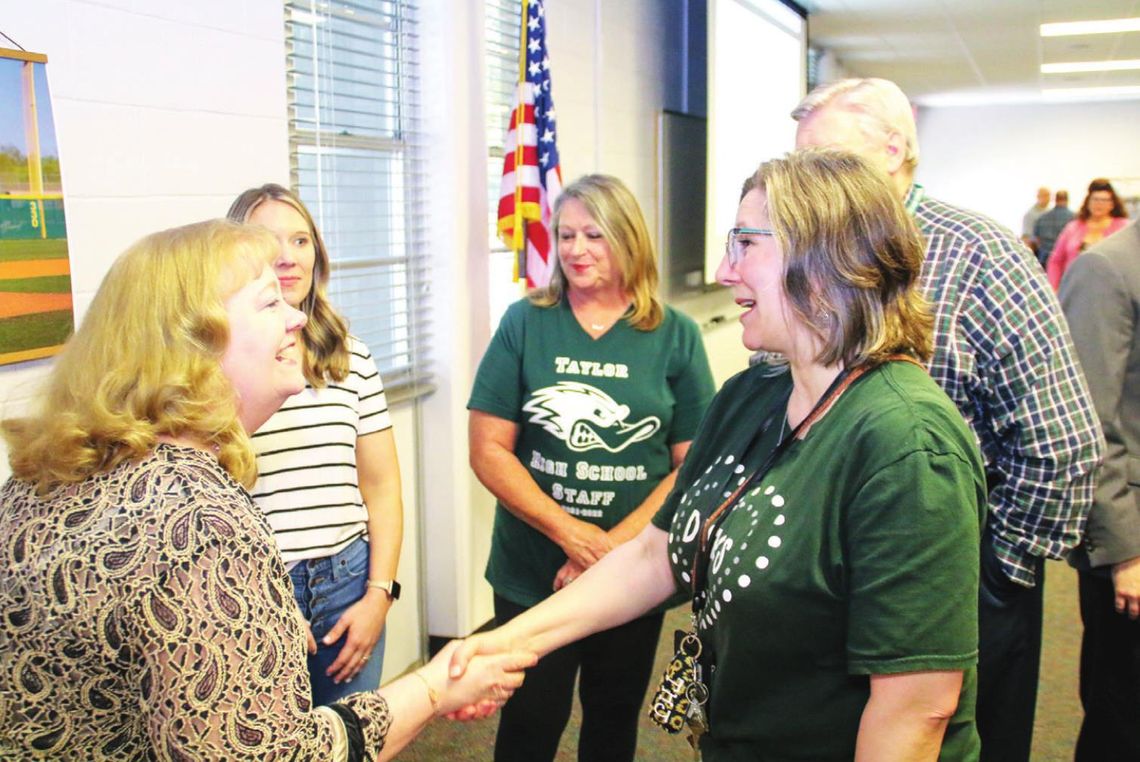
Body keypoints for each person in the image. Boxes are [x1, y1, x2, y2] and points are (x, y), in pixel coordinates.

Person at [454, 149, 987, 761]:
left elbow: (917, 712)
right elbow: (655, 554)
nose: (723, 271)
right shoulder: (752, 395)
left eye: (745, 245)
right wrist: (506, 644)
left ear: (823, 256)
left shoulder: (907, 446)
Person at [0, 219, 534, 760]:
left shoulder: (37, 479)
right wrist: (433, 687)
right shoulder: (196, 524)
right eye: (268, 303)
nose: (298, 316)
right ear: (195, 346)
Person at [790, 78, 1102, 762]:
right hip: (836, 574)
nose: (809, 182)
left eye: (828, 160)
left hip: (963, 570)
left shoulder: (979, 253)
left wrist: (995, 574)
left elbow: (1062, 441)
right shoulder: (808, 257)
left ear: (894, 151)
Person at [467, 173, 716, 762]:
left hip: (632, 574)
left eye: (594, 236)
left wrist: (606, 555)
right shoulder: (527, 321)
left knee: (612, 717)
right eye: (566, 235)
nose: (576, 250)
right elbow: (488, 449)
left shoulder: (673, 335)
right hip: (533, 571)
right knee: (531, 717)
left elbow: (691, 466)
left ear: (628, 240)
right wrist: (572, 537)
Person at [227, 184, 403, 704]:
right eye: (267, 241)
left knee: (352, 740)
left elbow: (383, 486)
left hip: (348, 582)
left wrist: (379, 595)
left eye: (301, 240)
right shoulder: (218, 363)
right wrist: (263, 601)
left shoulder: (351, 357)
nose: (287, 256)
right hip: (258, 588)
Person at [1057, 220, 1140, 761]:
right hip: (1132, 540)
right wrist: (1127, 553)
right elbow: (1089, 428)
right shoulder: (1107, 268)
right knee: (1124, 717)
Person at [1046, 178, 1129, 291]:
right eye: (1095, 199)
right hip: (1075, 289)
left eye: (1104, 200)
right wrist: (1053, 288)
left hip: (1112, 290)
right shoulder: (1072, 227)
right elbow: (1055, 261)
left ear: (1112, 204)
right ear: (1088, 202)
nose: (1099, 204)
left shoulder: (1123, 226)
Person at [1033, 189, 1074, 268]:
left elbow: (1036, 239)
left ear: (1055, 200)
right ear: (1067, 200)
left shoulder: (1042, 217)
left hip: (1044, 259)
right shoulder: (1074, 218)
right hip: (1063, 261)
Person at [1020, 186, 1050, 254]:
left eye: (1048, 196)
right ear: (1038, 197)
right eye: (1045, 195)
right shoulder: (1030, 215)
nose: (1048, 198)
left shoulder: (1050, 213)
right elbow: (1026, 237)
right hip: (1036, 252)